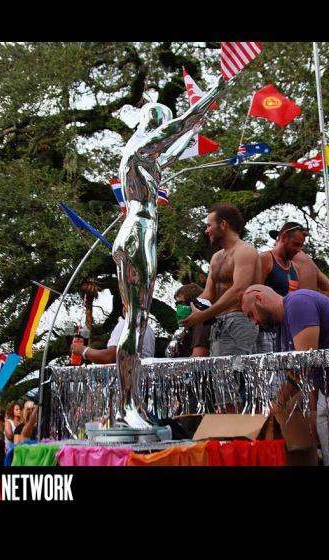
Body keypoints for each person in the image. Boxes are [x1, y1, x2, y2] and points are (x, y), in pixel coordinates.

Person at [112, 76, 228, 415]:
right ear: (154, 126)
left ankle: (130, 403)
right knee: (135, 321)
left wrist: (195, 130)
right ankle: (126, 405)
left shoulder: (143, 157)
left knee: (138, 320)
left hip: (137, 232)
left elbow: (174, 150)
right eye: (163, 125)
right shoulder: (138, 150)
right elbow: (181, 125)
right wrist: (214, 92)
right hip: (138, 231)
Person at [240, 285, 329, 466]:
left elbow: (306, 363)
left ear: (259, 298)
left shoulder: (297, 302)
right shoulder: (282, 325)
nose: (254, 322)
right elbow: (302, 371)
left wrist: (278, 401)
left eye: (251, 314)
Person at [183, 204, 261, 358]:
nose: (206, 231)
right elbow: (209, 294)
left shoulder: (245, 251)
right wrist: (191, 307)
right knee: (220, 372)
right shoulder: (216, 257)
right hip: (218, 323)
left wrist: (204, 315)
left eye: (209, 225)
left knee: (235, 372)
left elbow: (239, 290)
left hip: (240, 321)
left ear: (223, 224)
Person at [255, 222, 308, 353]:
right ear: (283, 237)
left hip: (286, 331)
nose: (298, 250)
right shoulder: (265, 259)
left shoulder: (295, 268)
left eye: (301, 246)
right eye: (296, 244)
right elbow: (254, 295)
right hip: (265, 333)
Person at [71, 312, 156, 364]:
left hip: (127, 379)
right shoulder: (149, 329)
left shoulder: (125, 324)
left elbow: (110, 356)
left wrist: (83, 350)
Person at [167, 283, 211, 358]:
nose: (178, 308)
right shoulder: (185, 330)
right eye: (176, 305)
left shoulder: (202, 323)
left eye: (180, 303)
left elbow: (198, 357)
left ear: (194, 303)